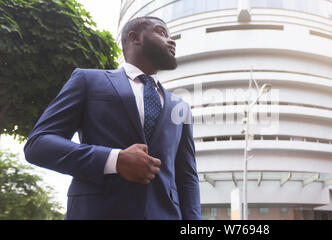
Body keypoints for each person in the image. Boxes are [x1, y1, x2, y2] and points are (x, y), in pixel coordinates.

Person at [23, 16, 201, 220]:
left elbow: (187, 177)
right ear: (135, 38)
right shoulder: (88, 80)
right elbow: (38, 144)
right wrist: (114, 160)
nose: (172, 41)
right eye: (161, 32)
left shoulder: (181, 107)